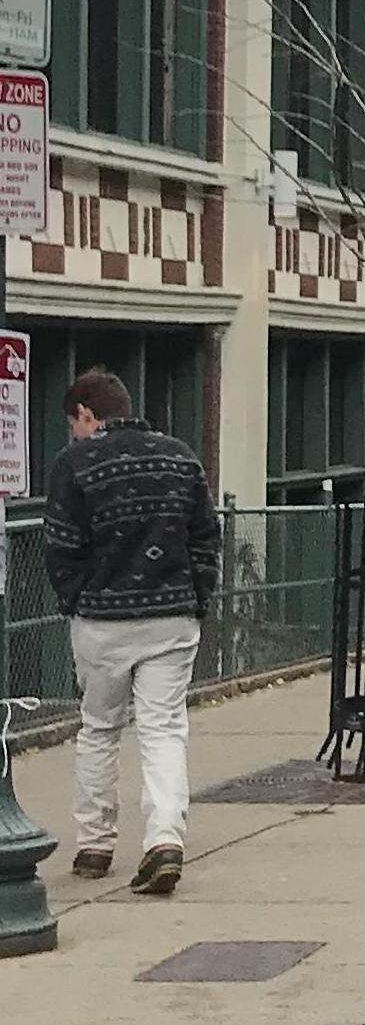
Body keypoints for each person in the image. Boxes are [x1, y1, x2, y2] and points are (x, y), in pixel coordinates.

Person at [43, 366, 218, 898]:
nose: (74, 432)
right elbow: (206, 537)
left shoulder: (74, 465)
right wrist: (197, 597)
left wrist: (76, 598)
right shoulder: (180, 457)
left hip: (101, 620)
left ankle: (95, 844)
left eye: (74, 421)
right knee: (163, 729)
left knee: (99, 727)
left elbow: (61, 546)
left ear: (88, 415)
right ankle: (164, 840)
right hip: (171, 616)